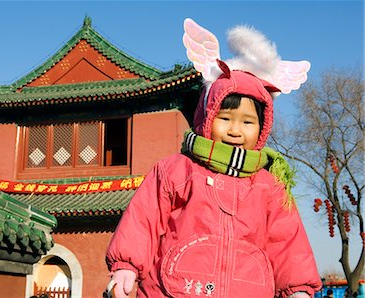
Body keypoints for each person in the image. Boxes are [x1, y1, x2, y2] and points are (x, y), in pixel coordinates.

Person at [105, 18, 322, 298]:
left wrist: (298, 289)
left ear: (262, 126)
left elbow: (287, 242)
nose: (235, 130)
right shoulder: (177, 170)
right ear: (207, 117)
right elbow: (143, 221)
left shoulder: (269, 186)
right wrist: (126, 267)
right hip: (173, 291)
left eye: (247, 122)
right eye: (225, 118)